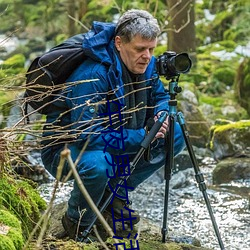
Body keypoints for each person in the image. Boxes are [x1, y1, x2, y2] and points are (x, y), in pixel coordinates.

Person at [41, 9, 185, 241]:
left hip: (117, 137)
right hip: (68, 150)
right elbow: (88, 136)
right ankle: (77, 222)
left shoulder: (145, 64)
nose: (147, 56)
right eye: (140, 49)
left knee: (175, 133)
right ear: (119, 43)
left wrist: (161, 114)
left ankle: (113, 193)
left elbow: (159, 96)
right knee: (99, 165)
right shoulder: (93, 75)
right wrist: (142, 135)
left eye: (152, 49)